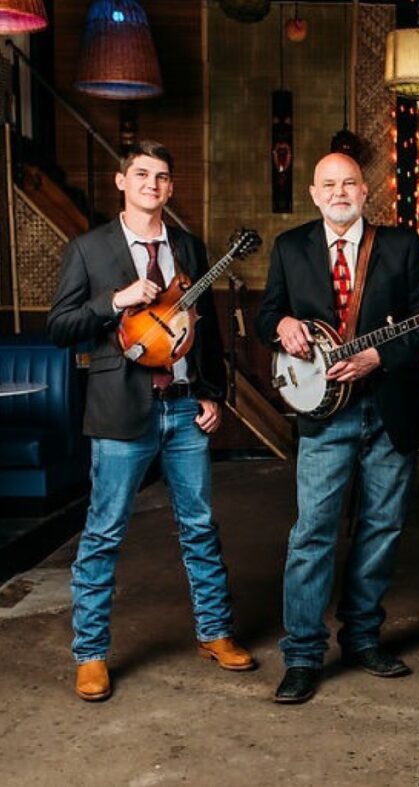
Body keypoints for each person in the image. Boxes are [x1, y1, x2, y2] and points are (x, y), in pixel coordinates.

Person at [47, 140, 253, 702]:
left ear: (170, 187)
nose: (151, 184)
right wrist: (114, 301)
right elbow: (60, 326)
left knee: (201, 527)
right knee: (104, 533)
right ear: (122, 181)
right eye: (141, 174)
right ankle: (90, 653)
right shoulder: (88, 249)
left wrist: (211, 394)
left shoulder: (188, 247)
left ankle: (214, 632)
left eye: (161, 176)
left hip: (184, 407)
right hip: (119, 410)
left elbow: (204, 329)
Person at [256, 152, 419, 704]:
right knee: (312, 533)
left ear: (365, 192)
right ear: (315, 194)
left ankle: (362, 639)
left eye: (349, 183)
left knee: (381, 527)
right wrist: (282, 324)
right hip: (323, 415)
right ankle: (303, 656)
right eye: (329, 184)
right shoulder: (290, 247)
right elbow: (266, 316)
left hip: (390, 408)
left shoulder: (402, 246)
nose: (339, 192)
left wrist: (378, 357)